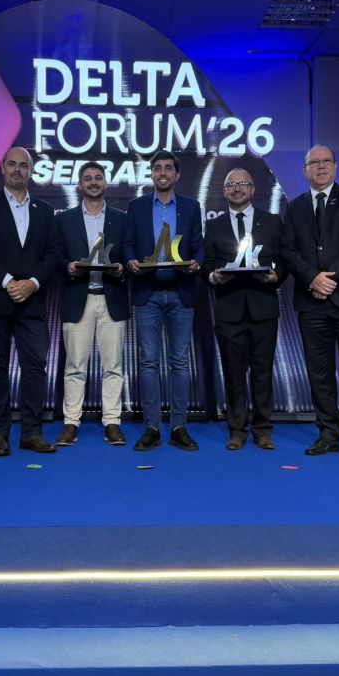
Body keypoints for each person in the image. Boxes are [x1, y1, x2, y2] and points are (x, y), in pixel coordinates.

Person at [280, 145, 339, 465]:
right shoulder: (294, 207)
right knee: (319, 374)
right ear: (304, 170)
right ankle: (328, 435)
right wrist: (312, 279)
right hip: (311, 304)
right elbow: (288, 250)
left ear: (335, 166)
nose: (320, 166)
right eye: (314, 162)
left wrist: (328, 279)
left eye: (326, 161)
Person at [0, 146, 58, 457]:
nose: (18, 170)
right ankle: (0, 435)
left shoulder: (45, 210)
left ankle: (31, 433)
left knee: (35, 368)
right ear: (3, 169)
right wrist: (8, 281)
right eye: (12, 164)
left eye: (23, 165)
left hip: (31, 302)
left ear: (31, 171)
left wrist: (32, 283)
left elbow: (52, 254)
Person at [123, 149, 204, 452]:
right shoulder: (136, 207)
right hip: (148, 292)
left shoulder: (191, 207)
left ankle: (179, 427)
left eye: (168, 168)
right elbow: (128, 244)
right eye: (157, 168)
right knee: (148, 362)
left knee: (180, 362)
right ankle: (152, 427)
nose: (162, 173)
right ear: (151, 173)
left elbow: (197, 244)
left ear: (177, 175)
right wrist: (130, 261)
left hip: (181, 291)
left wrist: (197, 262)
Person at [203, 168, 286, 451]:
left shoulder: (272, 221)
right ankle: (236, 430)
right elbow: (207, 263)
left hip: (264, 308)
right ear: (224, 191)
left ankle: (262, 430)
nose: (237, 189)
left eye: (242, 184)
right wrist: (213, 276)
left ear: (252, 189)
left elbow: (284, 259)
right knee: (233, 374)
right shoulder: (213, 225)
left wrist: (278, 276)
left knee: (263, 373)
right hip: (229, 309)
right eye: (231, 185)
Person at [55, 161, 129, 446]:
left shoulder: (121, 219)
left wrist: (122, 268)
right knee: (75, 366)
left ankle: (112, 422)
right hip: (78, 297)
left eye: (98, 178)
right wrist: (67, 266)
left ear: (105, 183)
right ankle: (71, 423)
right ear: (80, 184)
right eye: (88, 178)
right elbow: (55, 255)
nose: (94, 182)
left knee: (113, 366)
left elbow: (129, 254)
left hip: (112, 297)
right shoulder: (64, 219)